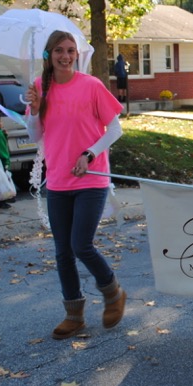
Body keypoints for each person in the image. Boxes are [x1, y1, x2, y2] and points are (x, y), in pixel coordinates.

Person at [24, 30, 126, 340]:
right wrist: (36, 109)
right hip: (57, 180)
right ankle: (74, 315)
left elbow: (115, 130)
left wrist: (90, 153)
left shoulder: (91, 86)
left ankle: (112, 292)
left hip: (91, 177)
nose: (66, 56)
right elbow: (34, 136)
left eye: (70, 50)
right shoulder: (40, 88)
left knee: (80, 245)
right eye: (59, 50)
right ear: (49, 55)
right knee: (62, 252)